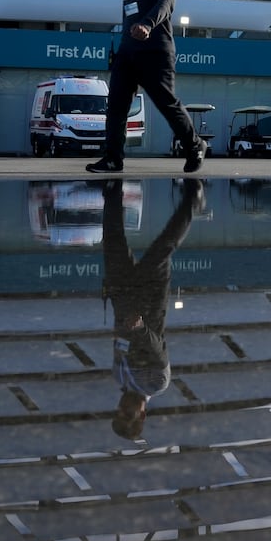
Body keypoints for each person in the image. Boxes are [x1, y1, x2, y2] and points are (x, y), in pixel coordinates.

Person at [87, 0, 203, 174]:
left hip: (156, 49)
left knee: (166, 103)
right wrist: (122, 45)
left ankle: (194, 146)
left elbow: (166, 4)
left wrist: (148, 24)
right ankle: (113, 159)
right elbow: (128, 14)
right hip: (127, 51)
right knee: (116, 105)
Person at [103, 178, 203, 441]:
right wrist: (140, 329)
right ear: (142, 414)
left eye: (118, 413)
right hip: (149, 298)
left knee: (112, 240)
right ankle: (193, 199)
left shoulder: (118, 377)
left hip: (122, 293)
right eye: (128, 415)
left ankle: (113, 191)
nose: (122, 409)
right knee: (164, 246)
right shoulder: (156, 384)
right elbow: (157, 348)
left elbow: (118, 337)